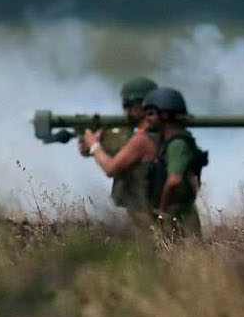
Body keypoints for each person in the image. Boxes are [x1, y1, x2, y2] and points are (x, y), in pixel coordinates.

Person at [82, 76, 160, 227]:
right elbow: (87, 151)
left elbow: (111, 168)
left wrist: (93, 144)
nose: (126, 111)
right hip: (152, 214)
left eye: (128, 105)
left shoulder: (143, 138)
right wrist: (93, 142)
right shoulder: (158, 132)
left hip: (147, 217)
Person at [143, 86, 206, 238]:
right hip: (176, 214)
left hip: (178, 215)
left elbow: (173, 180)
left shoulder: (177, 144)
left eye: (151, 114)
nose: (147, 119)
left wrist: (161, 212)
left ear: (164, 115)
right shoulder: (168, 142)